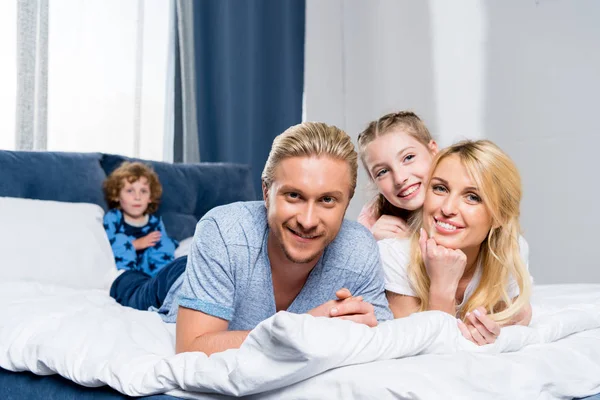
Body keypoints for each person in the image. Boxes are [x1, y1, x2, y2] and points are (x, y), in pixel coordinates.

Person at [109, 122, 393, 355]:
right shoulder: (222, 231)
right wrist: (303, 327)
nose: (307, 220)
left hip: (222, 268)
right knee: (132, 287)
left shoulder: (359, 249)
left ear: (347, 203)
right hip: (177, 280)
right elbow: (192, 347)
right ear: (266, 192)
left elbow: (381, 339)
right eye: (293, 195)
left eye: (328, 200)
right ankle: (120, 277)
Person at [378, 140, 532, 345]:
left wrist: (501, 326)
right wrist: (442, 287)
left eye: (472, 197)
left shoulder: (511, 250)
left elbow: (519, 313)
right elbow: (426, 352)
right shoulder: (394, 255)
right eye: (440, 188)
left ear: (500, 217)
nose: (448, 208)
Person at [356, 111, 438, 240]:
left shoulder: (466, 201)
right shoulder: (371, 220)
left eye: (408, 158)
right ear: (373, 180)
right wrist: (371, 243)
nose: (399, 179)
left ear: (433, 151)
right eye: (382, 172)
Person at [103, 161, 177, 276]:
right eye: (130, 191)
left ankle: (163, 281)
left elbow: (164, 250)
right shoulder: (113, 218)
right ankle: (128, 280)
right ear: (117, 195)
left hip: (149, 273)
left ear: (150, 197)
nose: (137, 197)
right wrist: (136, 244)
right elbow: (105, 248)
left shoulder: (154, 223)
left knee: (164, 242)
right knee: (120, 239)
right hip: (124, 272)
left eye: (143, 191)